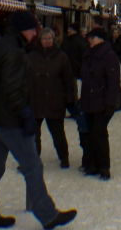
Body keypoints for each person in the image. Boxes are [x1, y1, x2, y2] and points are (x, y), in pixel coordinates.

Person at [0, 10, 77, 230]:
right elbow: (12, 88)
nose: (36, 33)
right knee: (32, 166)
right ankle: (47, 214)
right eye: (34, 28)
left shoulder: (2, 45)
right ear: (24, 29)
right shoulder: (13, 51)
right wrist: (25, 112)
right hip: (11, 120)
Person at [27, 27, 76, 169]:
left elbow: (68, 79)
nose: (47, 41)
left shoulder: (61, 56)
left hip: (55, 100)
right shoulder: (31, 56)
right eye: (44, 38)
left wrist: (70, 99)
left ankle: (64, 157)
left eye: (50, 38)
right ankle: (33, 159)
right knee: (33, 134)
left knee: (58, 133)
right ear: (40, 40)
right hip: (35, 100)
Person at [79, 27, 120, 180]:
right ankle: (92, 164)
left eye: (92, 37)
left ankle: (104, 167)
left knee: (100, 134)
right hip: (89, 101)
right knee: (89, 134)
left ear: (100, 39)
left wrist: (110, 103)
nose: (89, 40)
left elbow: (113, 81)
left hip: (102, 102)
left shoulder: (109, 56)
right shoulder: (88, 54)